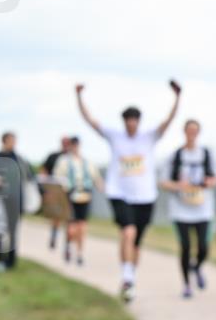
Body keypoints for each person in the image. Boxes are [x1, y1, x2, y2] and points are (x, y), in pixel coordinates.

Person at [76, 80, 181, 302]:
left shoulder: (148, 137)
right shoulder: (115, 136)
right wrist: (79, 96)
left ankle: (130, 277)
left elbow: (168, 121)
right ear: (124, 122)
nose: (131, 124)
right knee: (127, 232)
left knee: (136, 243)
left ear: (139, 122)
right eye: (128, 121)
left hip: (145, 196)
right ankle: (126, 276)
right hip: (119, 192)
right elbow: (90, 121)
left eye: (135, 121)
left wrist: (177, 97)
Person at [160, 119, 216, 298]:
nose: (192, 133)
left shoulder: (207, 155)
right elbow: (164, 182)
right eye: (189, 130)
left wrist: (208, 182)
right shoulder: (175, 156)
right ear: (184, 132)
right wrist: (179, 186)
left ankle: (196, 267)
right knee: (185, 246)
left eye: (195, 130)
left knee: (203, 246)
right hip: (180, 209)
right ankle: (186, 284)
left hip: (203, 208)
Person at [52, 136, 102, 266]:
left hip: (85, 197)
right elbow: (58, 179)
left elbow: (96, 178)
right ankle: (68, 245)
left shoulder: (87, 162)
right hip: (70, 197)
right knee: (71, 228)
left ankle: (80, 253)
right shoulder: (63, 161)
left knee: (82, 227)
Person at [0, 132, 29, 273]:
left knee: (13, 232)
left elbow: (27, 180)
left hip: (15, 200)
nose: (13, 143)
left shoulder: (19, 160)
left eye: (15, 140)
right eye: (11, 140)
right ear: (4, 141)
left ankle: (11, 262)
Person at [41, 137, 72, 250]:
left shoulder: (72, 158)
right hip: (55, 191)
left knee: (69, 219)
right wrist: (46, 188)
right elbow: (44, 171)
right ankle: (54, 236)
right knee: (56, 216)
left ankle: (68, 243)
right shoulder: (53, 156)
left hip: (69, 192)